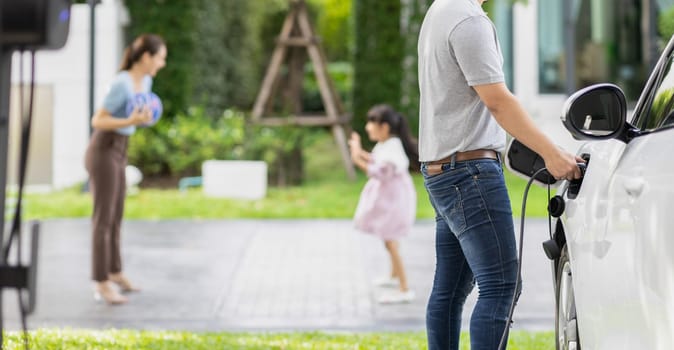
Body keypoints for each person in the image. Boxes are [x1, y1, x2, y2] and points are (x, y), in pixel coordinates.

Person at [417, 0, 583, 349]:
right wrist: (551, 153)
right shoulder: (467, 19)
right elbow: (497, 100)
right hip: (469, 173)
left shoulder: (440, 10)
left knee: (449, 289)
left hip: (443, 170)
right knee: (501, 284)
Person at [84, 34, 167, 305]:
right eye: (160, 58)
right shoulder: (121, 83)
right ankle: (101, 282)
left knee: (117, 215)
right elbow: (98, 119)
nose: (162, 64)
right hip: (103, 149)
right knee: (103, 220)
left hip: (121, 148)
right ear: (146, 57)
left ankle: (115, 272)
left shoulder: (146, 81)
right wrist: (130, 119)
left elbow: (134, 116)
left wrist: (140, 120)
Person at [348, 104, 418, 304]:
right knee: (389, 239)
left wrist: (355, 157)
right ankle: (393, 275)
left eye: (372, 122)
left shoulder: (392, 148)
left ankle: (404, 288)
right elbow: (375, 159)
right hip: (391, 200)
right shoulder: (387, 144)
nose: (368, 127)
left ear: (384, 127)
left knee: (390, 239)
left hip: (395, 202)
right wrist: (360, 151)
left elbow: (379, 171)